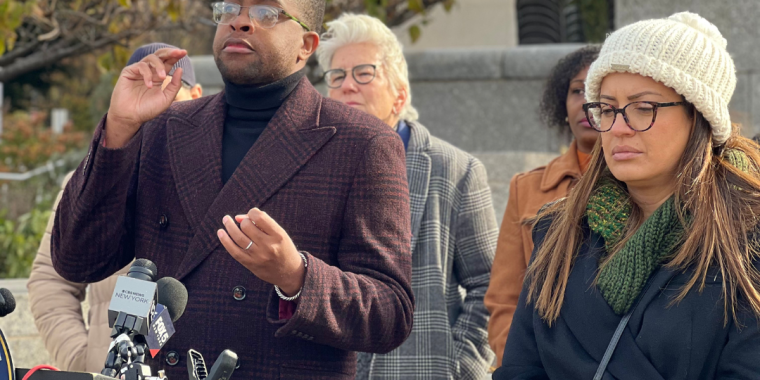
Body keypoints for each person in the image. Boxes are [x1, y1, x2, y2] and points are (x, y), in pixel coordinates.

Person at [49, 1, 415, 379]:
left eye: (266, 13)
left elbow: (391, 312)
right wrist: (119, 129)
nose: (240, 22)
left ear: (307, 45)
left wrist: (296, 276)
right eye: (229, 8)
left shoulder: (363, 142)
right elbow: (78, 260)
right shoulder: (164, 127)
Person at [495, 12, 760, 379]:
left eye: (643, 108)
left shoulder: (744, 237)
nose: (617, 128)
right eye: (606, 109)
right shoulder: (559, 232)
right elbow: (522, 367)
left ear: (698, 116)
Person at [318, 13, 497, 380]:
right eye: (337, 76)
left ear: (399, 93)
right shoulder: (311, 167)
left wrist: (459, 369)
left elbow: (491, 286)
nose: (348, 86)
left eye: (364, 73)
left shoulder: (455, 170)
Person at [27, 42, 202, 373]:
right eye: (144, 97)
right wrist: (81, 360)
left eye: (169, 97)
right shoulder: (90, 182)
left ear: (196, 95)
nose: (155, 111)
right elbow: (50, 282)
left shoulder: (216, 180)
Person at [484, 45, 600, 367]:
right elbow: (504, 298)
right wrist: (520, 365)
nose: (587, 102)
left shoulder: (639, 184)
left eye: (597, 91)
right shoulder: (527, 188)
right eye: (577, 90)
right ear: (561, 104)